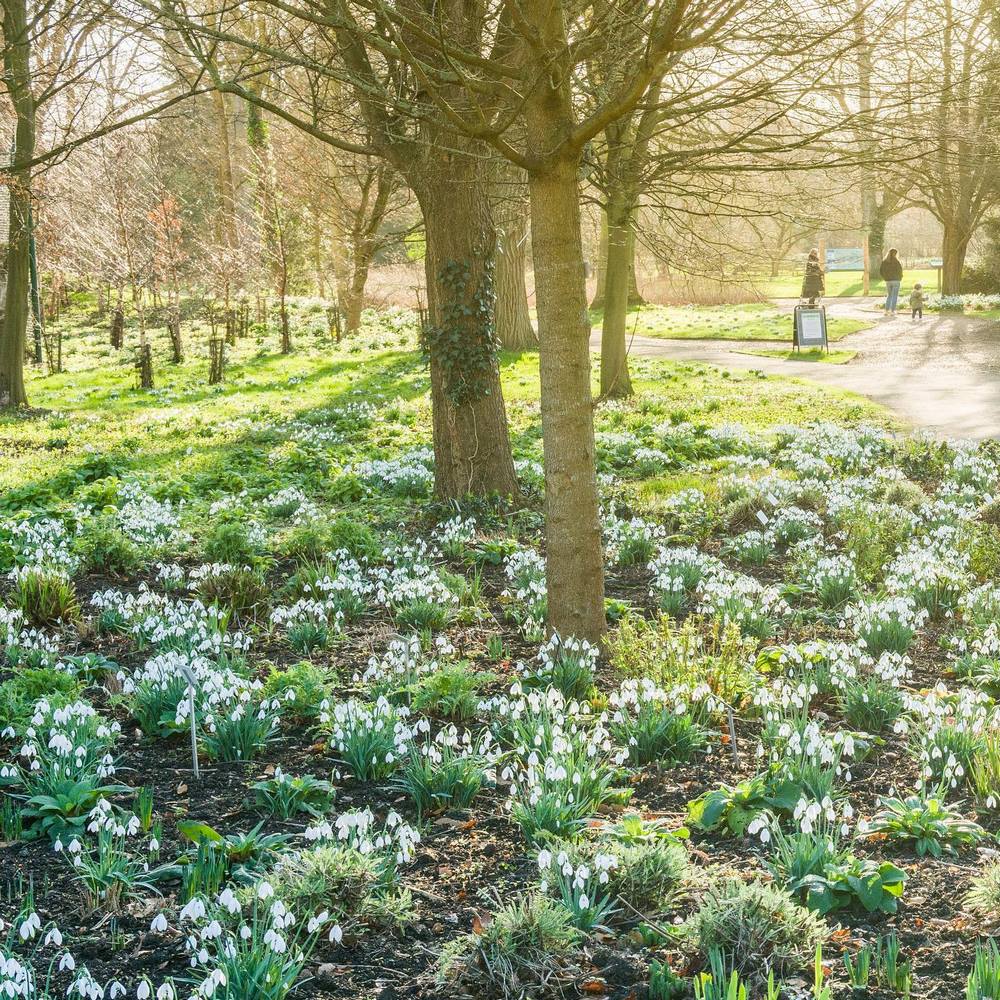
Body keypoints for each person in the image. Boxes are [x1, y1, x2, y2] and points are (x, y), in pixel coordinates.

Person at [879, 248, 903, 315]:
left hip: (888, 281)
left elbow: (881, 271)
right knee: (894, 296)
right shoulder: (897, 262)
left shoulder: (884, 262)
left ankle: (886, 310)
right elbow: (900, 271)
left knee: (889, 295)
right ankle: (892, 311)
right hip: (896, 281)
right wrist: (900, 278)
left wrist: (885, 278)